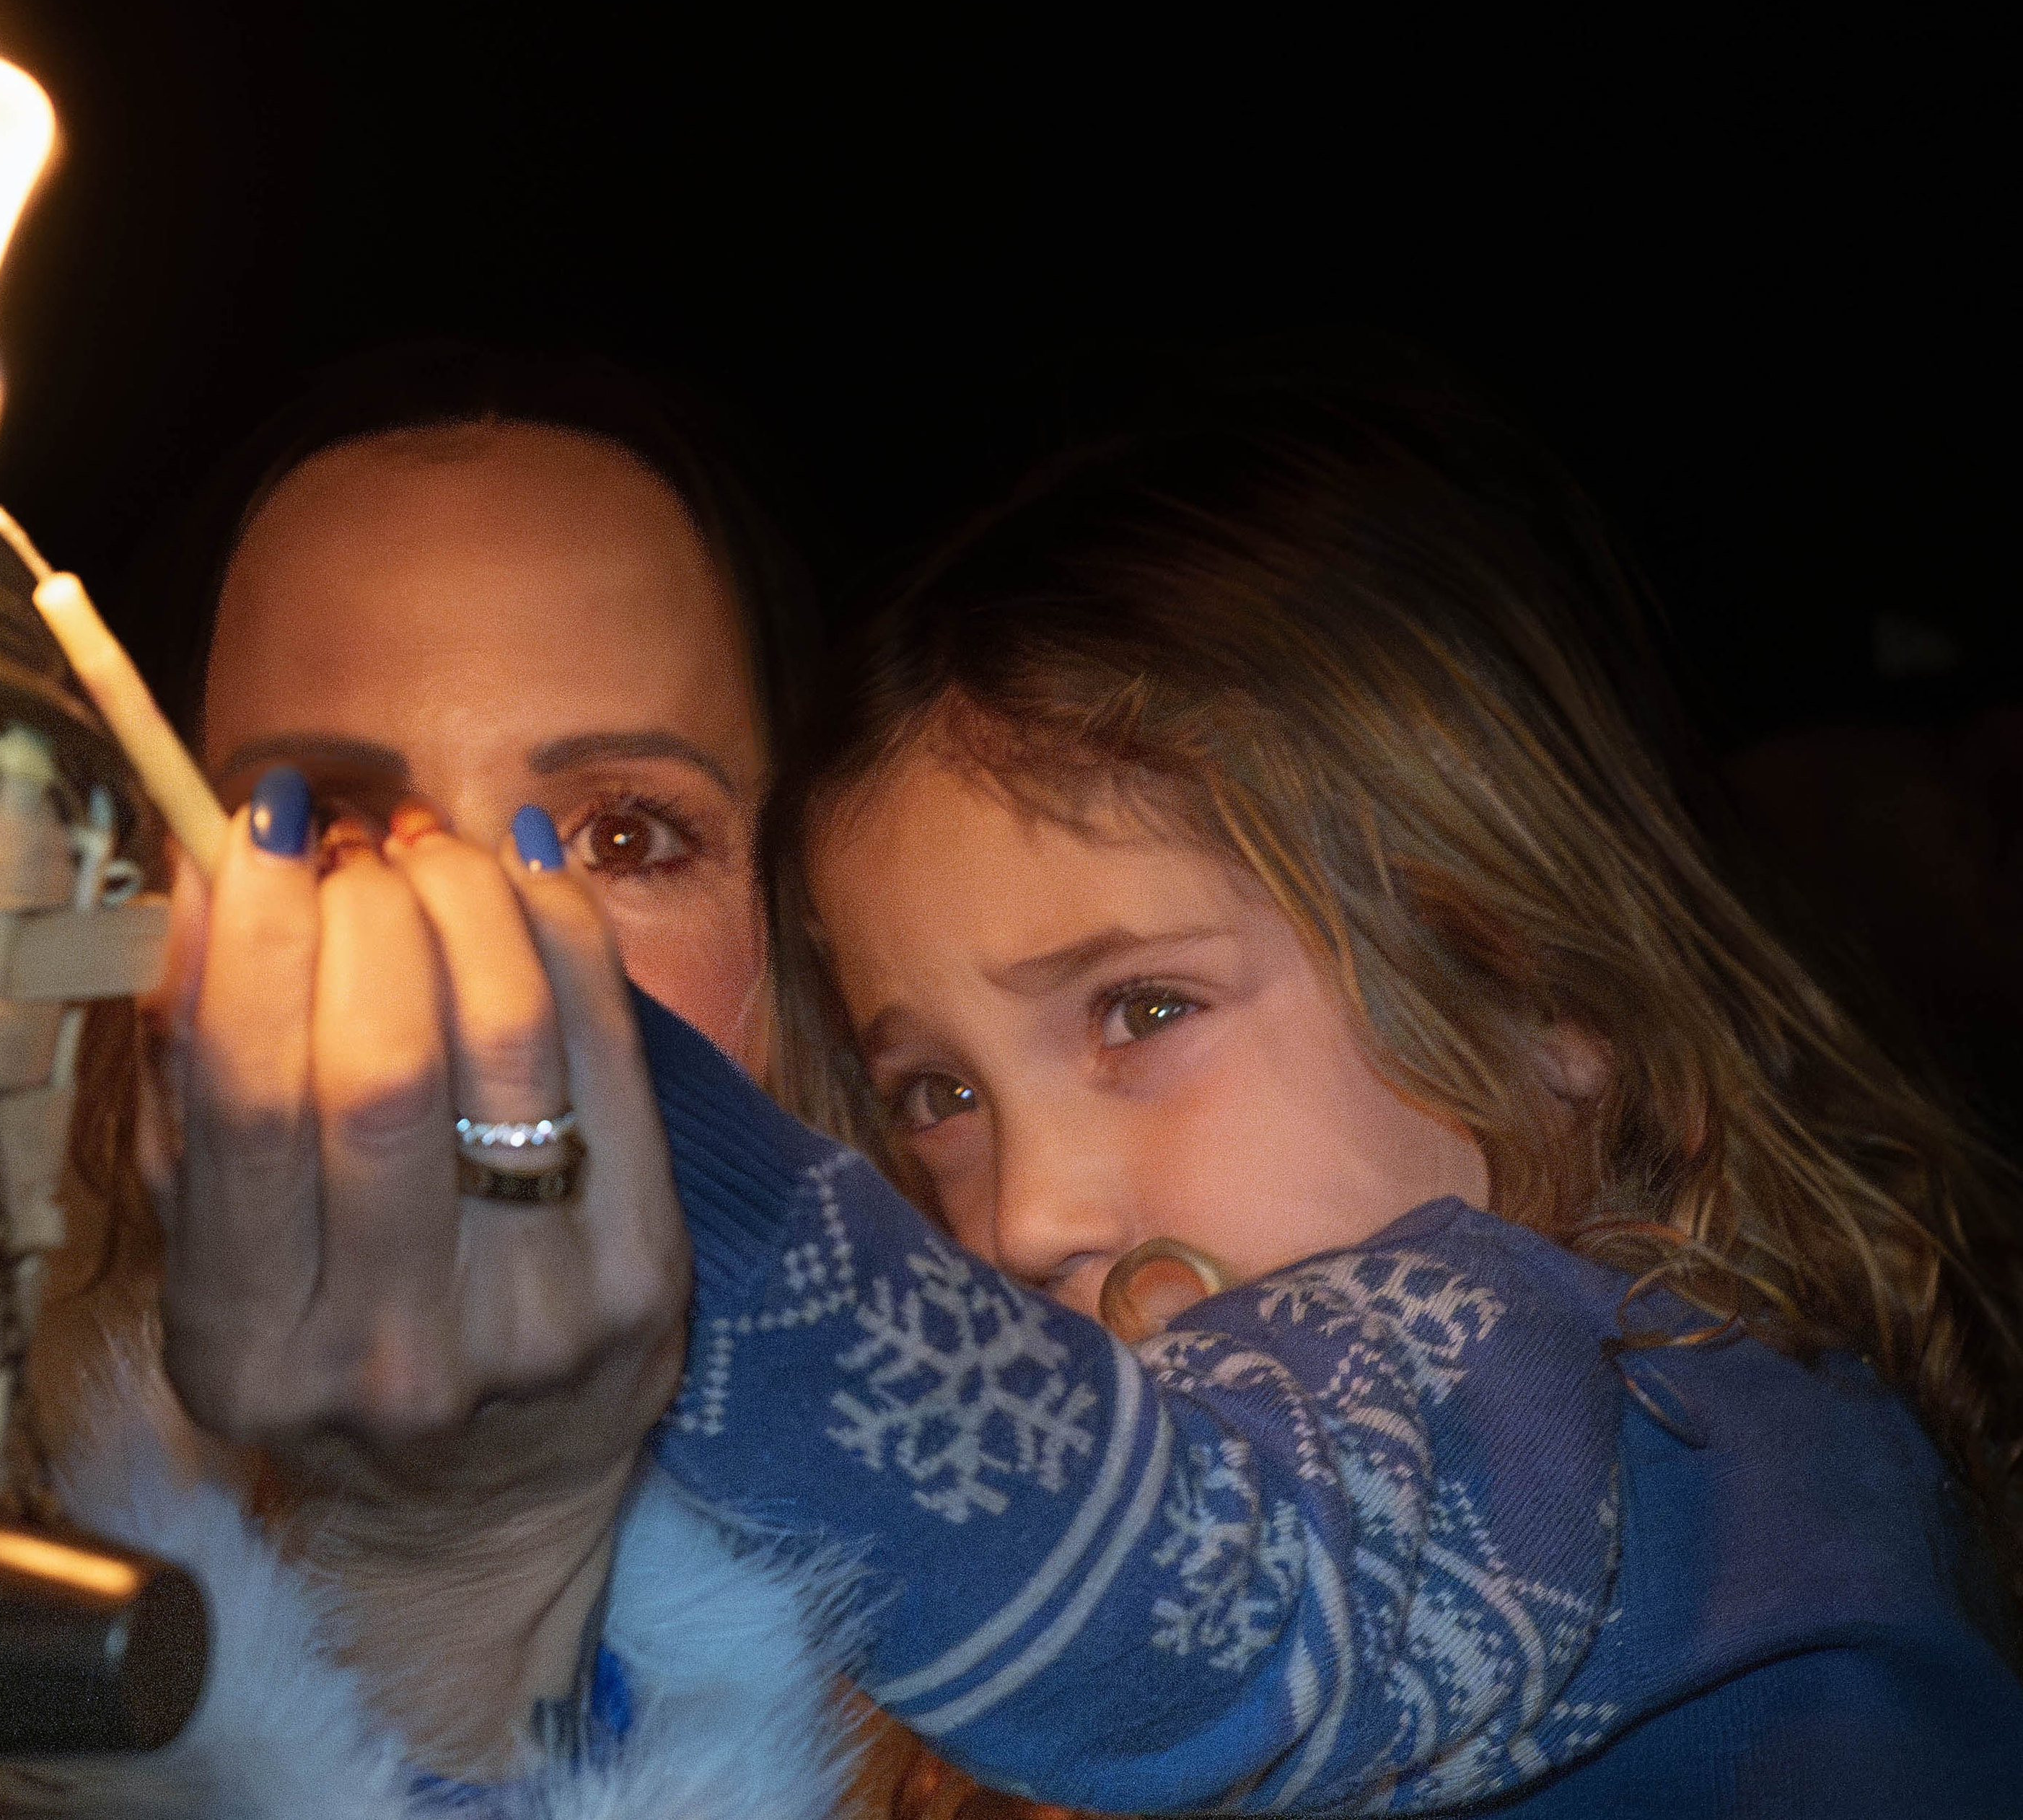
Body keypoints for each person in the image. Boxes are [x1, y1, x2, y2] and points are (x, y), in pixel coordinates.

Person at [113, 368, 2023, 1814]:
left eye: (1143, 1005)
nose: (1022, 1208)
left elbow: (1206, 1584)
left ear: (1549, 990)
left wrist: (604, 1122)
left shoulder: (1634, 1407)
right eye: (934, 1087)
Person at [6, 344, 906, 1817]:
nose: (466, 940)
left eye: (619, 836)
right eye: (335, 832)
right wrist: (453, 1573)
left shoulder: (1121, 1565)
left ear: (810, 933)